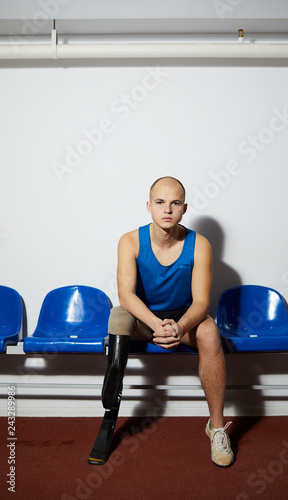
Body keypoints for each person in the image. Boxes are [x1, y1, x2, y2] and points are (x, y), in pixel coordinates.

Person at [88, 176, 234, 468]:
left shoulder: (200, 244)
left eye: (175, 203)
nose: (167, 209)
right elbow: (127, 295)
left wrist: (179, 327)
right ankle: (109, 414)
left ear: (184, 209)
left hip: (183, 320)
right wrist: (156, 324)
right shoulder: (129, 240)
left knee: (211, 334)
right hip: (144, 319)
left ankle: (216, 428)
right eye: (160, 202)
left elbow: (201, 302)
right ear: (149, 206)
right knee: (117, 314)